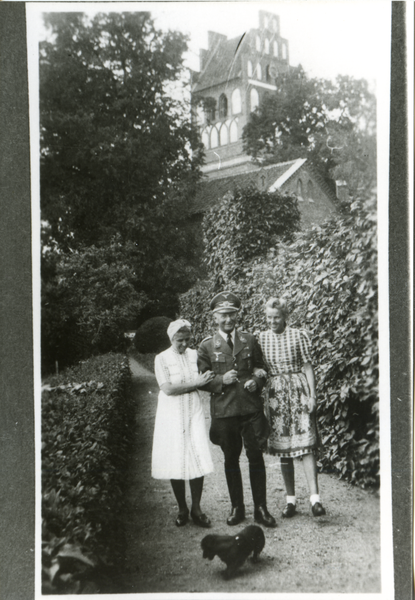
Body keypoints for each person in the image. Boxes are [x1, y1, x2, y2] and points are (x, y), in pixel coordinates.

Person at [197, 292, 276, 528]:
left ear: (237, 315)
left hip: (250, 409)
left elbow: (261, 369)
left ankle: (261, 509)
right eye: (223, 315)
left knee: (255, 457)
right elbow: (202, 381)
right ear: (215, 317)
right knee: (231, 459)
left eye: (232, 314)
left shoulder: (250, 340)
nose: (228, 319)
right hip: (225, 411)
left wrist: (257, 382)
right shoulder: (207, 346)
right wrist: (222, 380)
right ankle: (237, 508)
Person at [257, 297, 326, 518]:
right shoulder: (261, 338)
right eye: (269, 317)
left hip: (298, 391)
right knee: (284, 447)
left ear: (285, 316)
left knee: (306, 445)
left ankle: (315, 500)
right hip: (276, 395)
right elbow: (259, 367)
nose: (272, 321)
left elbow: (307, 366)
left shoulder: (298, 335)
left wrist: (312, 396)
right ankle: (290, 501)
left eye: (276, 317)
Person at [152, 319, 215, 528]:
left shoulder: (195, 355)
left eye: (188, 339)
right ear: (171, 339)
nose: (185, 344)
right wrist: (195, 384)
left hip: (193, 411)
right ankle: (182, 508)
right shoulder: (161, 359)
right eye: (180, 340)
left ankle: (197, 508)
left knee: (196, 455)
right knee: (176, 458)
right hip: (171, 413)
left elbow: (207, 378)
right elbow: (167, 388)